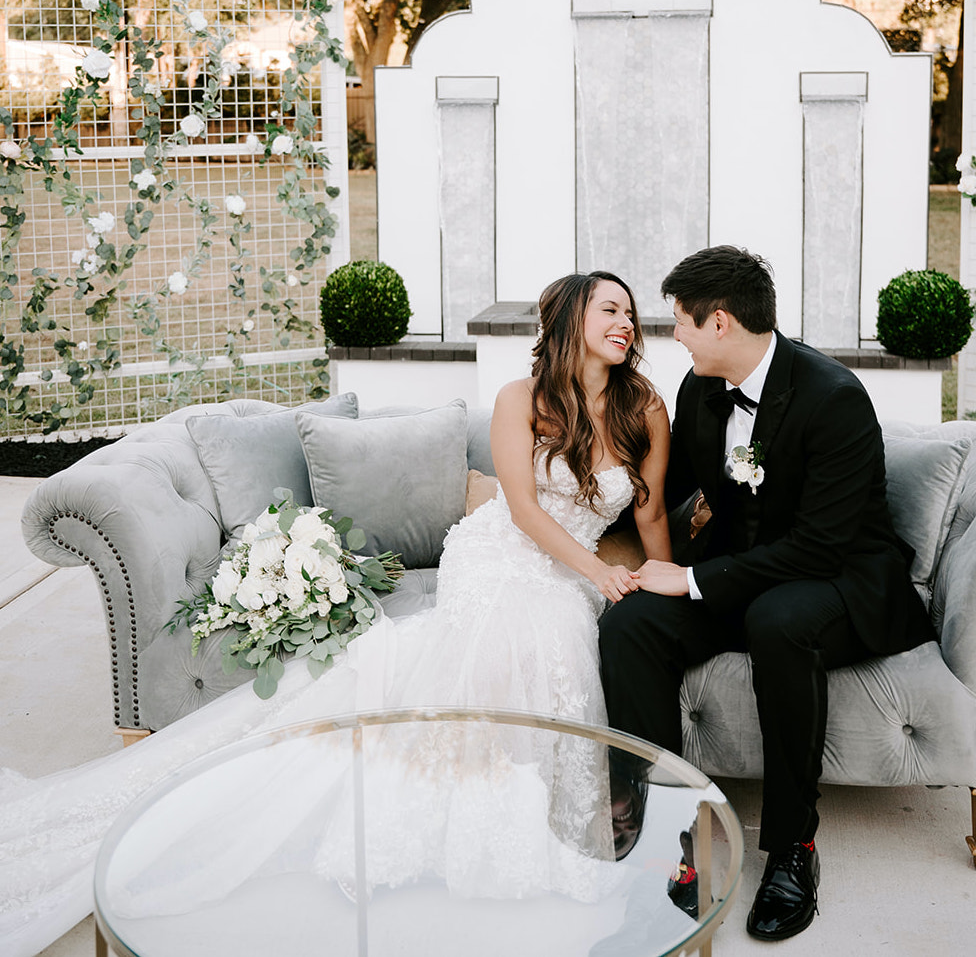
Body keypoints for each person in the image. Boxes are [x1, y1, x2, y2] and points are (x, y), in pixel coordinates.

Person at [0, 270, 672, 956]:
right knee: (520, 636)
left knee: (558, 632)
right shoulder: (519, 399)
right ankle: (447, 814)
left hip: (574, 568)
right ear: (567, 324)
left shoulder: (644, 407)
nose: (626, 322)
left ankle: (525, 823)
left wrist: (663, 581)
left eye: (630, 310)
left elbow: (648, 514)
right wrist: (599, 572)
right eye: (608, 309)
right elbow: (524, 511)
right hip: (501, 550)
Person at [599, 245, 934, 942]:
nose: (674, 336)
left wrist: (691, 578)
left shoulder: (832, 395)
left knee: (778, 620)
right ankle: (668, 846)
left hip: (838, 578)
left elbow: (821, 545)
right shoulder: (699, 389)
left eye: (679, 322)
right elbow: (664, 488)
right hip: (742, 571)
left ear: (718, 321)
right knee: (630, 623)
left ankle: (791, 848)